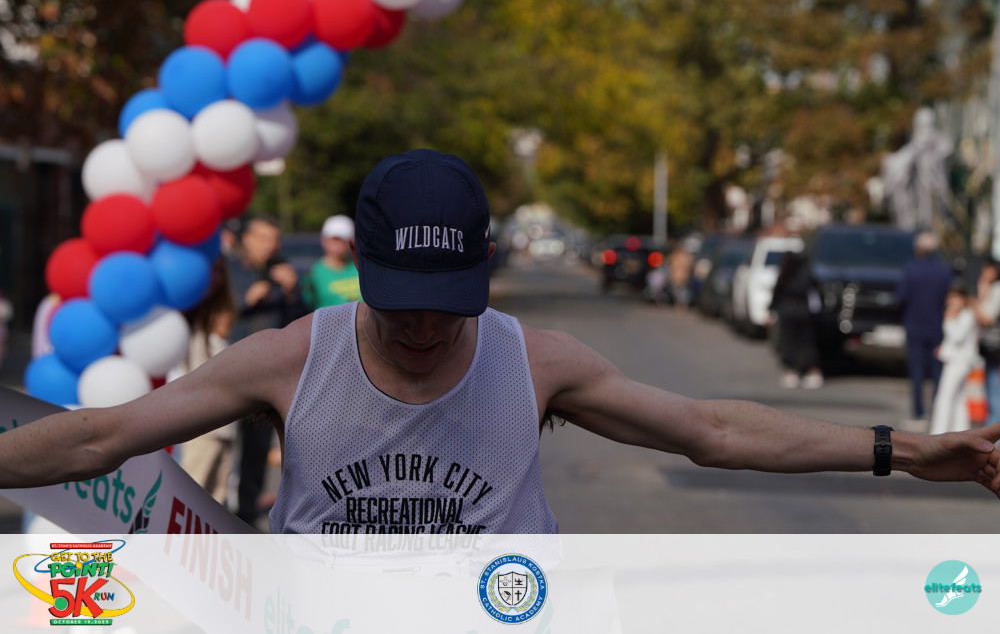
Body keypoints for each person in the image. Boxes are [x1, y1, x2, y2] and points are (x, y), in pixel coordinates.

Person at [0, 149, 998, 534]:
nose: (425, 326)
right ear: (364, 271)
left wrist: (912, 451)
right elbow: (99, 437)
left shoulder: (536, 361)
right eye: (402, 303)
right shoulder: (293, 355)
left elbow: (713, 430)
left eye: (448, 302)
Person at [226, 214, 307, 526]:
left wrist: (292, 291)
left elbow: (302, 321)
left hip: (268, 374)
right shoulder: (231, 268)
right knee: (220, 445)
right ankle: (212, 509)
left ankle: (245, 517)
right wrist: (246, 299)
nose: (269, 246)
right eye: (263, 238)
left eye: (274, 239)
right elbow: (217, 314)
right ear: (246, 239)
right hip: (229, 368)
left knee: (257, 448)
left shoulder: (282, 270)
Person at [169, 257, 238, 505]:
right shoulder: (189, 317)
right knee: (190, 500)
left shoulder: (214, 322)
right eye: (210, 271)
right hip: (198, 425)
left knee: (216, 503)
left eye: (219, 271)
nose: (215, 278)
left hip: (224, 426)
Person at [896, 231, 953, 430]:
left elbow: (900, 297)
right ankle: (938, 411)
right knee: (938, 372)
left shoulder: (910, 270)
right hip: (937, 326)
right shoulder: (944, 271)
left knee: (917, 372)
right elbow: (949, 299)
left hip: (914, 325)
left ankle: (918, 412)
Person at [768, 251, 823, 389]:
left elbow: (777, 293)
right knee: (806, 343)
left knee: (789, 343)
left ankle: (792, 372)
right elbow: (816, 293)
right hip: (805, 313)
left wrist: (771, 311)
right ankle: (812, 372)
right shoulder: (807, 273)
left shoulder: (785, 274)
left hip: (788, 313)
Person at [929, 284, 978, 435]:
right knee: (958, 399)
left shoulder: (966, 315)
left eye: (956, 298)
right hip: (958, 362)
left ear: (963, 299)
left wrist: (949, 320)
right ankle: (962, 432)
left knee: (944, 398)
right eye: (950, 298)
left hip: (958, 364)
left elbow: (957, 337)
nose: (952, 302)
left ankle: (939, 433)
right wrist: (943, 350)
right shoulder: (965, 314)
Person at [303, 214, 362, 310]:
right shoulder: (313, 273)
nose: (339, 244)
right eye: (335, 239)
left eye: (343, 239)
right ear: (324, 240)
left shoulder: (362, 268)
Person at [973, 259, 1000, 426]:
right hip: (991, 347)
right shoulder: (992, 288)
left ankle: (994, 430)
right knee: (991, 387)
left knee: (994, 388)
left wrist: (975, 302)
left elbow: (986, 318)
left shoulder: (997, 289)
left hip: (995, 347)